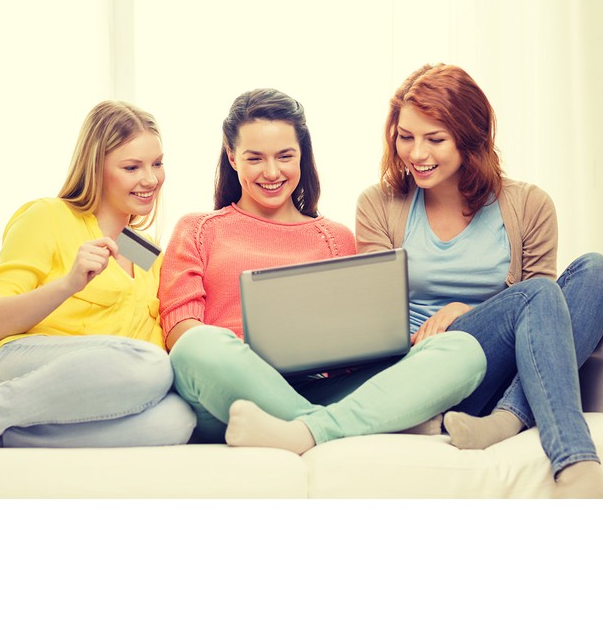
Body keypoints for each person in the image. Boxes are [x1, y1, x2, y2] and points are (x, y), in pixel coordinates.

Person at [159, 88, 485, 454]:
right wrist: (249, 358)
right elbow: (180, 330)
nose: (272, 172)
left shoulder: (336, 238)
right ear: (232, 156)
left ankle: (305, 431)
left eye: (285, 156)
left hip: (321, 387)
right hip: (232, 392)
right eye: (255, 158)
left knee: (463, 350)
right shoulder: (198, 229)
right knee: (197, 346)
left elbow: (360, 340)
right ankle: (350, 424)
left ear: (302, 155)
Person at [356, 63, 603, 498]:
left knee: (600, 269)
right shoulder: (379, 204)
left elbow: (547, 319)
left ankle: (508, 418)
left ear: (471, 136)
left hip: (503, 370)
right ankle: (572, 457)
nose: (417, 153)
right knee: (538, 294)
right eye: (405, 137)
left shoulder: (528, 205)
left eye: (435, 139)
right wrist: (450, 328)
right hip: (428, 368)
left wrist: (468, 312)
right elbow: (374, 321)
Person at [0, 101, 196, 451]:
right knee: (148, 362)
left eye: (157, 164)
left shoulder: (149, 254)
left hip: (89, 388)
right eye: (132, 167)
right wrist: (68, 284)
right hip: (19, 367)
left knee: (177, 419)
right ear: (96, 167)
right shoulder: (48, 216)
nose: (150, 179)